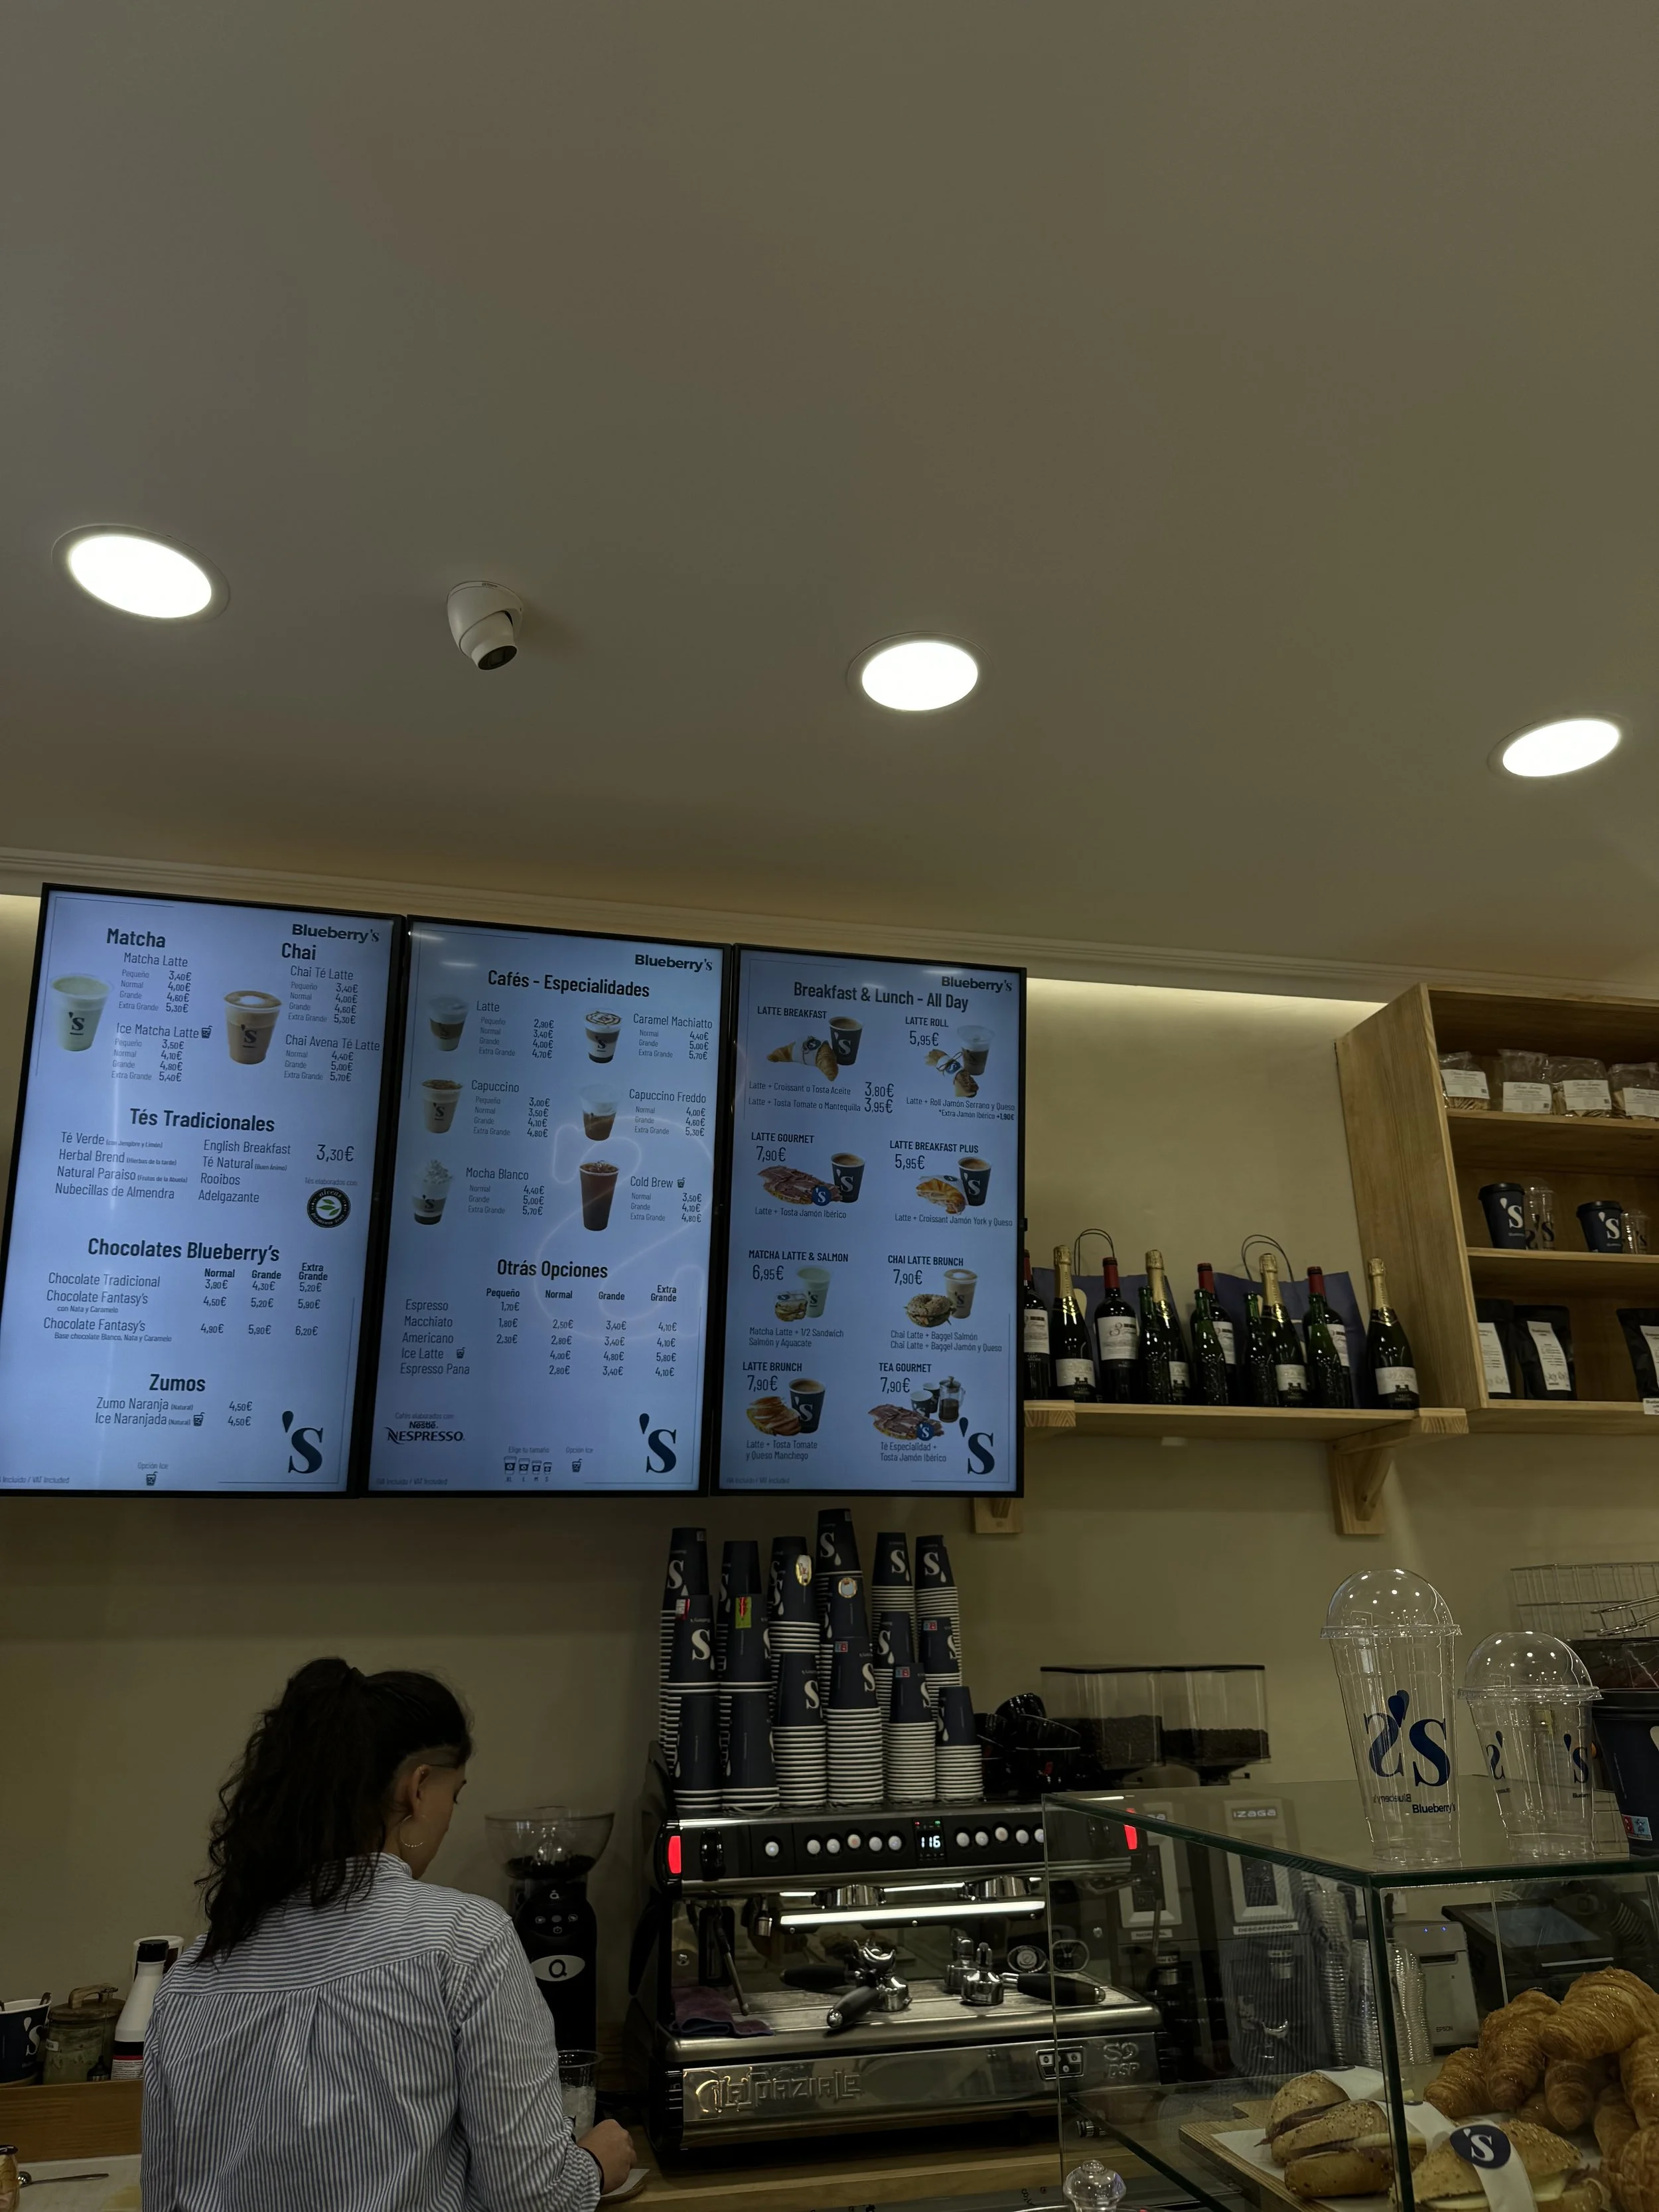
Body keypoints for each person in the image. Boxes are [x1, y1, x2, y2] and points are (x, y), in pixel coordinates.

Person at [143, 1659, 636, 2211]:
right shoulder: (465, 1940)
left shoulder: (189, 1978)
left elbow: (162, 2197)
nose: (450, 1817)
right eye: (456, 1795)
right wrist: (592, 2163)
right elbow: (531, 2197)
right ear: (418, 1789)